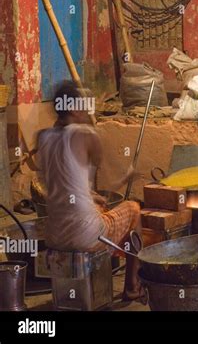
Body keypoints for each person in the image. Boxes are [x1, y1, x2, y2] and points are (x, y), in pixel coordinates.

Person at [36, 81, 143, 301]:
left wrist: (89, 195)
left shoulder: (42, 137)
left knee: (98, 205)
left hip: (53, 235)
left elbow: (61, 183)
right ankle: (132, 286)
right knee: (133, 209)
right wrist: (128, 176)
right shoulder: (86, 135)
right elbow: (110, 182)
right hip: (84, 235)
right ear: (74, 108)